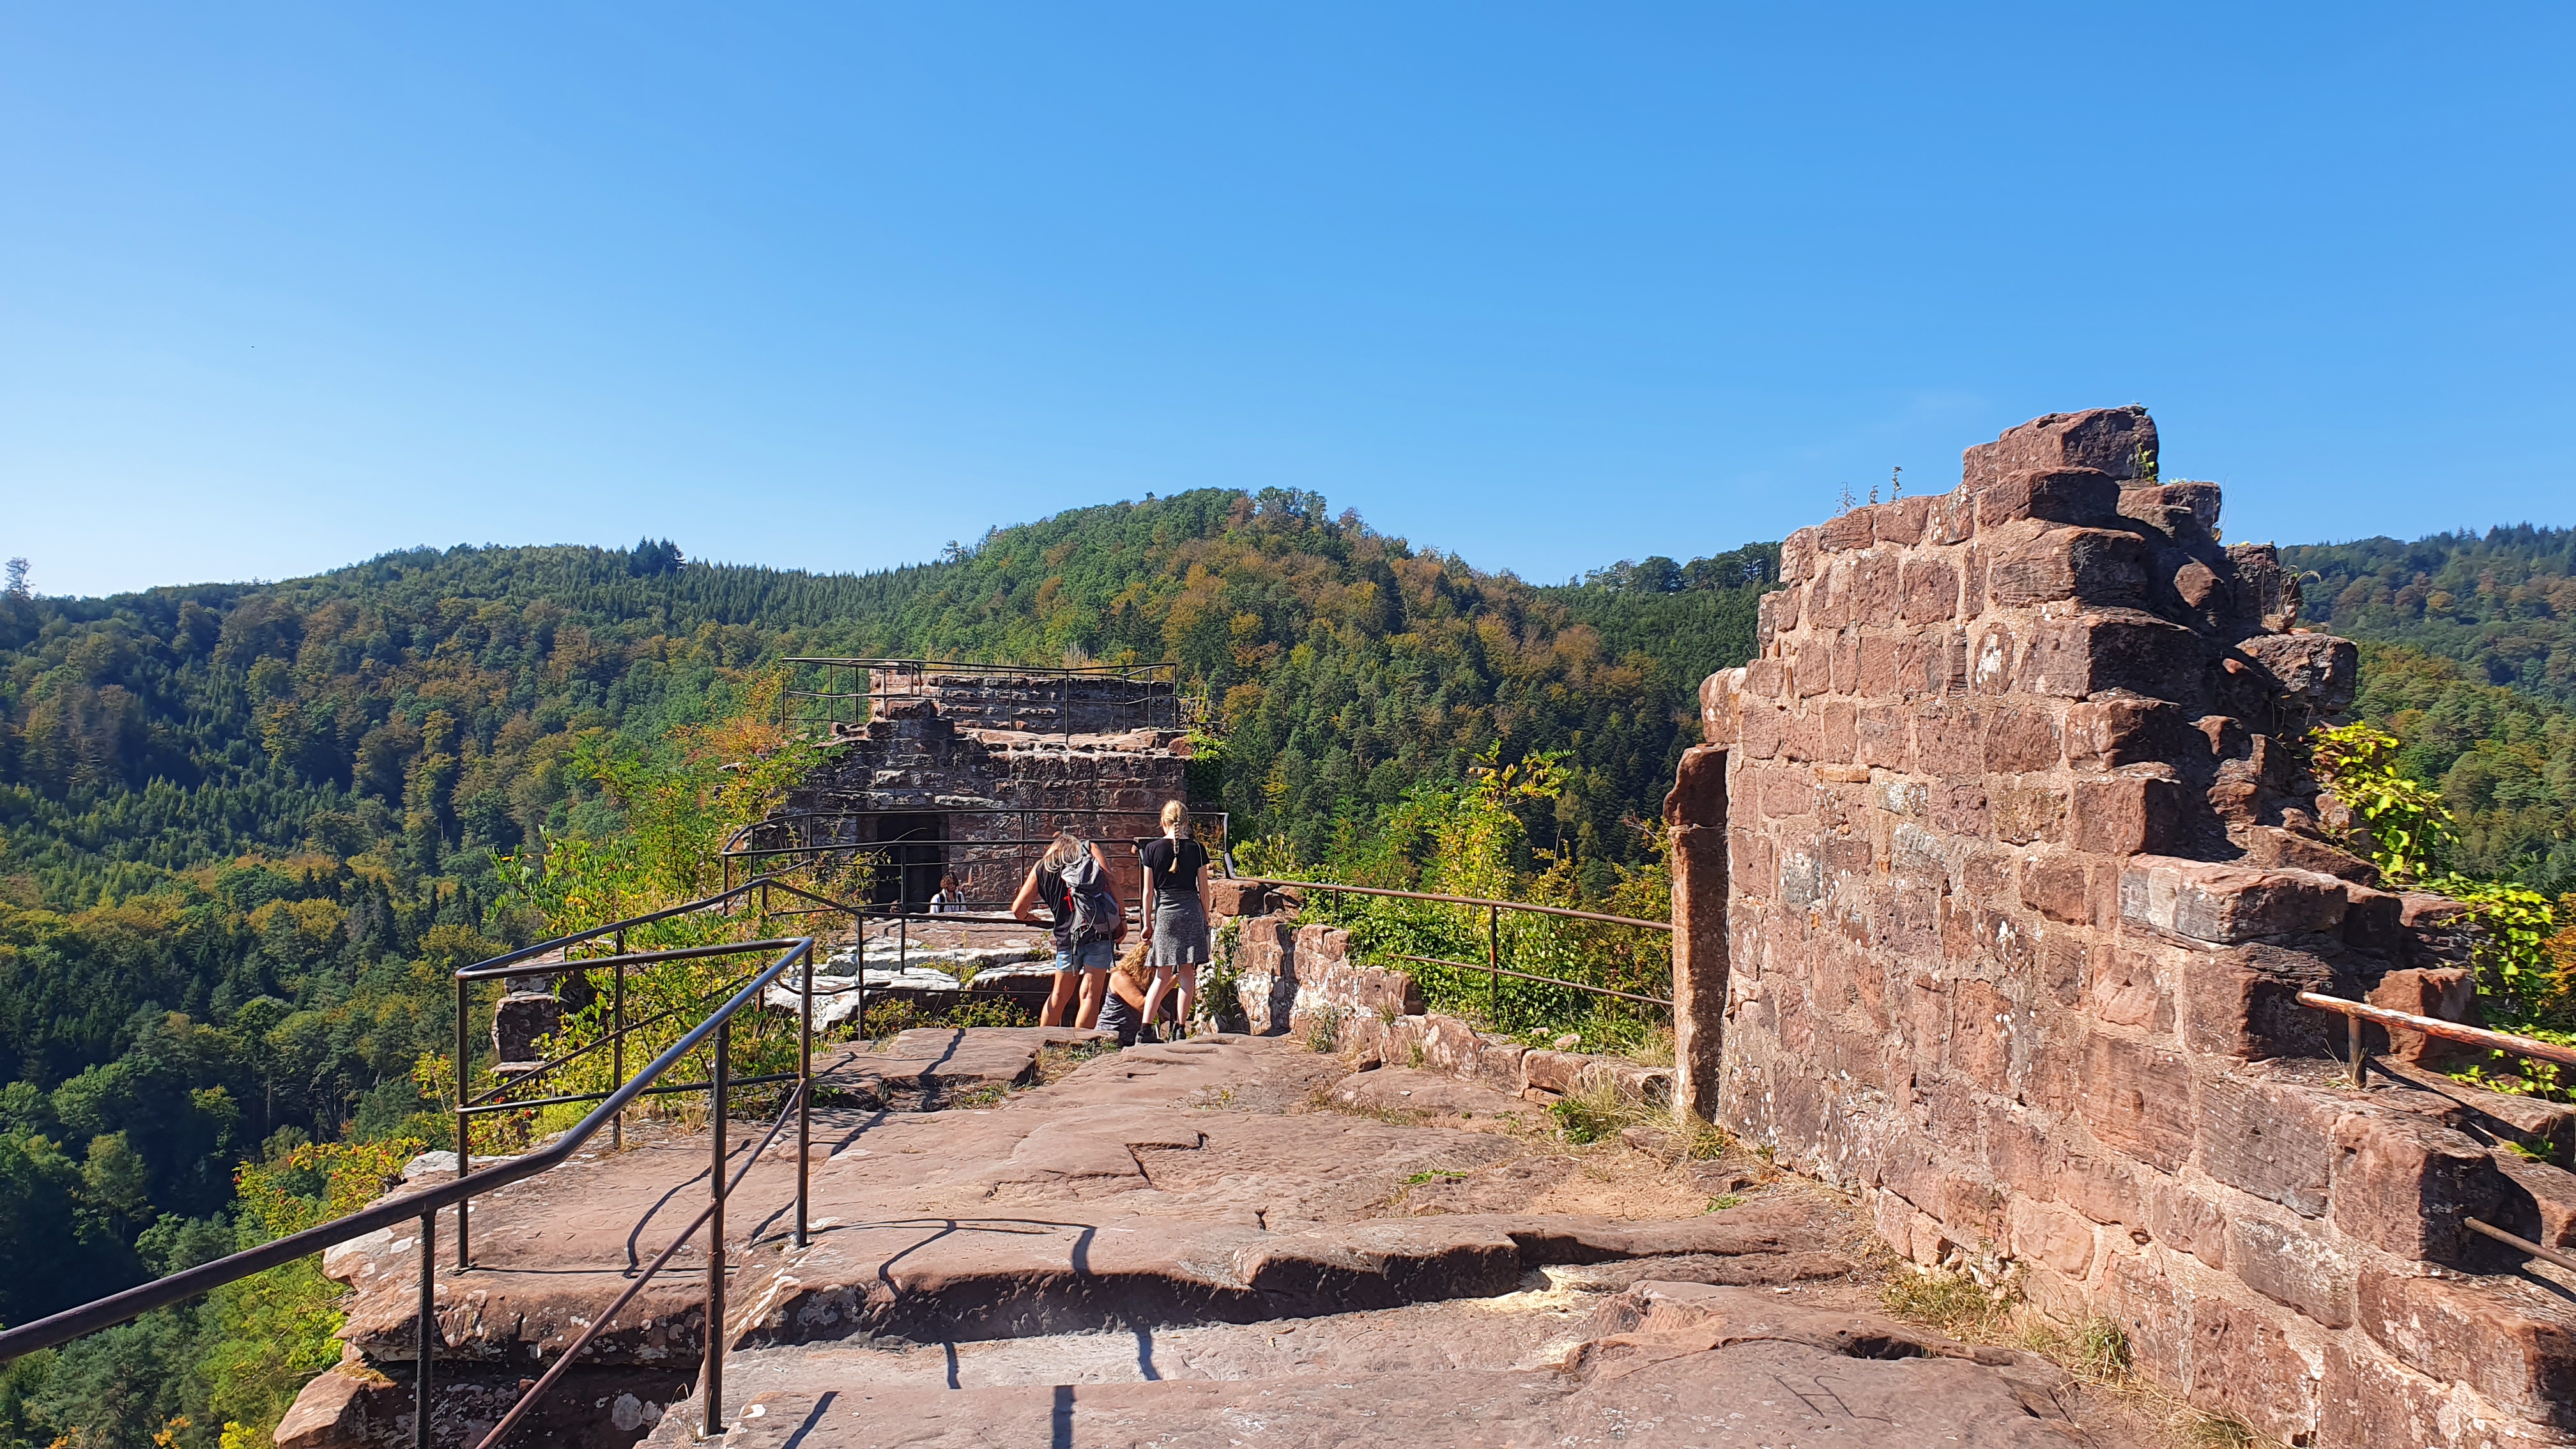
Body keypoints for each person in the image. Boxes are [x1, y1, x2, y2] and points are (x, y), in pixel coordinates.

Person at [1011, 831, 1122, 1028]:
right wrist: (1121, 919)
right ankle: (1081, 1049)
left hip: (1066, 938)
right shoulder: (1090, 849)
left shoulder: (1041, 868)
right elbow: (1112, 880)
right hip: (1098, 932)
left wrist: (1033, 919)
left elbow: (1018, 910)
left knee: (1059, 996)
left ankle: (1044, 1043)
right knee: (1090, 995)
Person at [1137, 800, 1211, 1038]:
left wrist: (1147, 923)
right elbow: (1204, 889)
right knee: (1187, 973)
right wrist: (1206, 917)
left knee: (1162, 974)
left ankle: (1145, 1029)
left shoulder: (1151, 849)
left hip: (1166, 914)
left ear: (1163, 822)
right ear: (1186, 822)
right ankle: (1180, 1029)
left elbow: (1148, 892)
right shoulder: (1198, 850)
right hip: (1191, 912)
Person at [1094, 938, 1156, 1047]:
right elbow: (1141, 1004)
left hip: (1130, 1037)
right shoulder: (1120, 977)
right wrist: (1169, 983)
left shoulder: (1141, 981)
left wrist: (1161, 1011)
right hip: (1112, 1034)